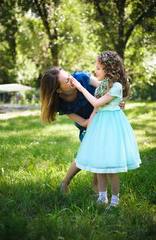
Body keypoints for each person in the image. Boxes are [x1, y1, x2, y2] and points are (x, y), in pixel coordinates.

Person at [69, 51, 141, 207]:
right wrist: (90, 128)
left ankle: (115, 200)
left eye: (98, 68)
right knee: (99, 164)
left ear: (109, 69)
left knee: (111, 167)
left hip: (112, 126)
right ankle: (102, 197)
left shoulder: (116, 86)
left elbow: (96, 103)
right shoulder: (102, 85)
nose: (95, 71)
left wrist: (81, 88)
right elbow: (95, 111)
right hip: (100, 125)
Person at [40, 66, 124, 194]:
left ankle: (96, 186)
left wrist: (115, 100)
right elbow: (84, 122)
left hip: (106, 118)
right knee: (90, 151)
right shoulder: (62, 104)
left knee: (100, 152)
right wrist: (96, 113)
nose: (72, 80)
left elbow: (105, 88)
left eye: (69, 76)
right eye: (67, 81)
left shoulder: (82, 78)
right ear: (58, 90)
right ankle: (66, 182)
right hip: (88, 124)